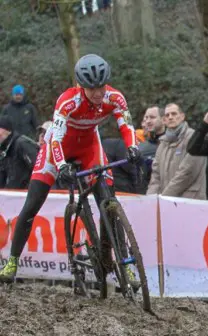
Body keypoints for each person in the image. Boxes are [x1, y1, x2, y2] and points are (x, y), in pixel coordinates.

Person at [0, 54, 140, 284]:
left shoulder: (115, 98)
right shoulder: (67, 101)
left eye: (101, 86)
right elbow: (55, 139)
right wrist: (62, 165)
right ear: (80, 86)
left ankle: (126, 266)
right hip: (58, 149)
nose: (97, 93)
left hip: (89, 148)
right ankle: (13, 261)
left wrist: (132, 148)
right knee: (32, 204)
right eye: (91, 88)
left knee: (109, 202)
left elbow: (127, 125)